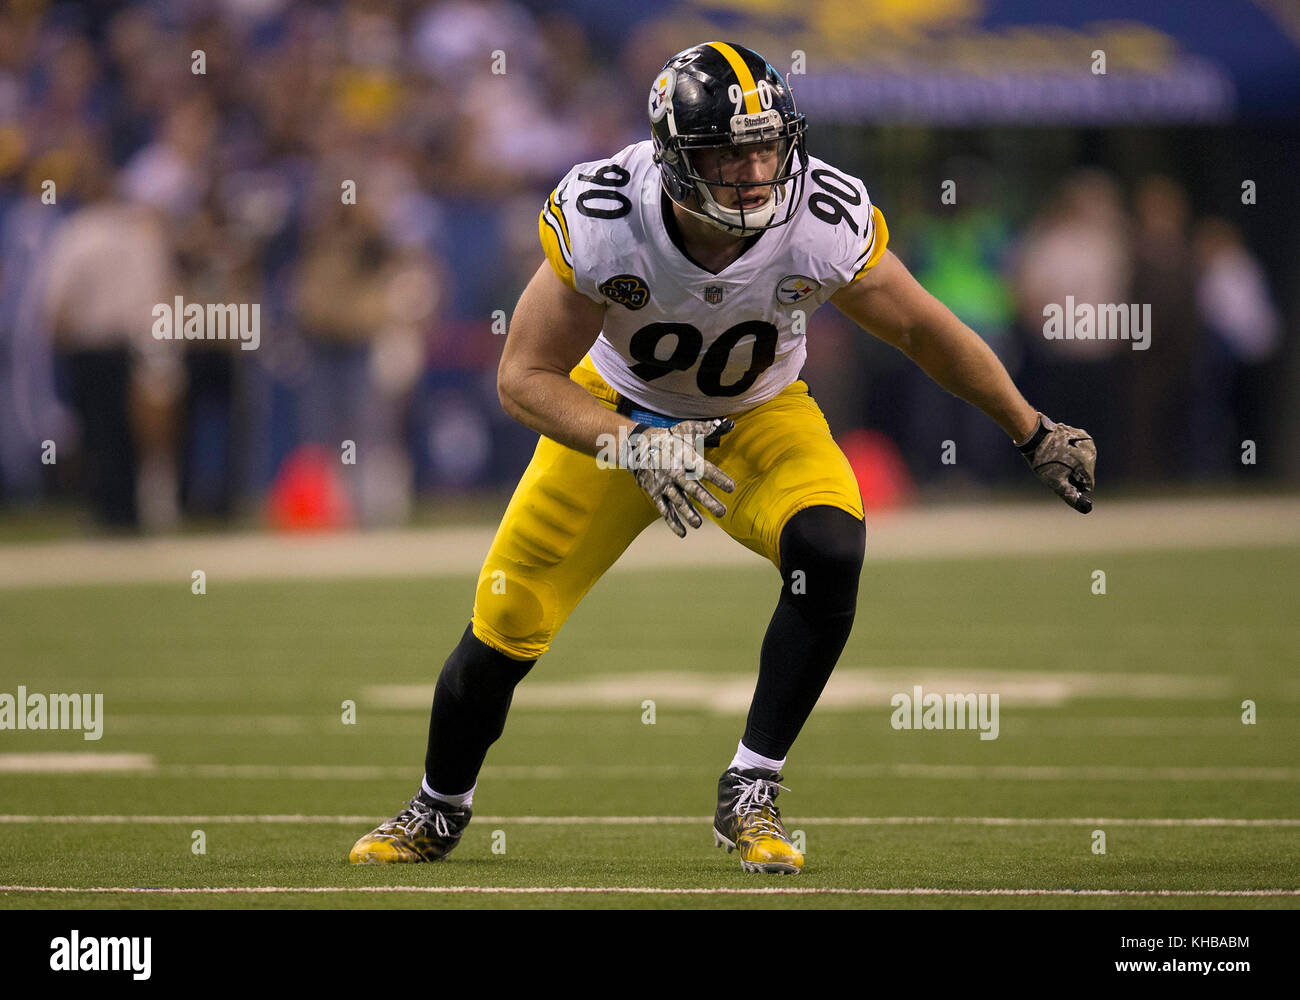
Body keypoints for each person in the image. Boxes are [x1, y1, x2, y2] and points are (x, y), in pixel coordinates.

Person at [350, 42, 1096, 874]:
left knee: (831, 545)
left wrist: (1031, 428)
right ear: (673, 158)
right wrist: (631, 444)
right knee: (502, 626)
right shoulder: (607, 219)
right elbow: (522, 377)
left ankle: (752, 785)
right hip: (618, 413)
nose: (751, 169)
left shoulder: (817, 215)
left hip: (758, 412)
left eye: (764, 145)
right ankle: (438, 805)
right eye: (726, 151)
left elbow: (921, 326)